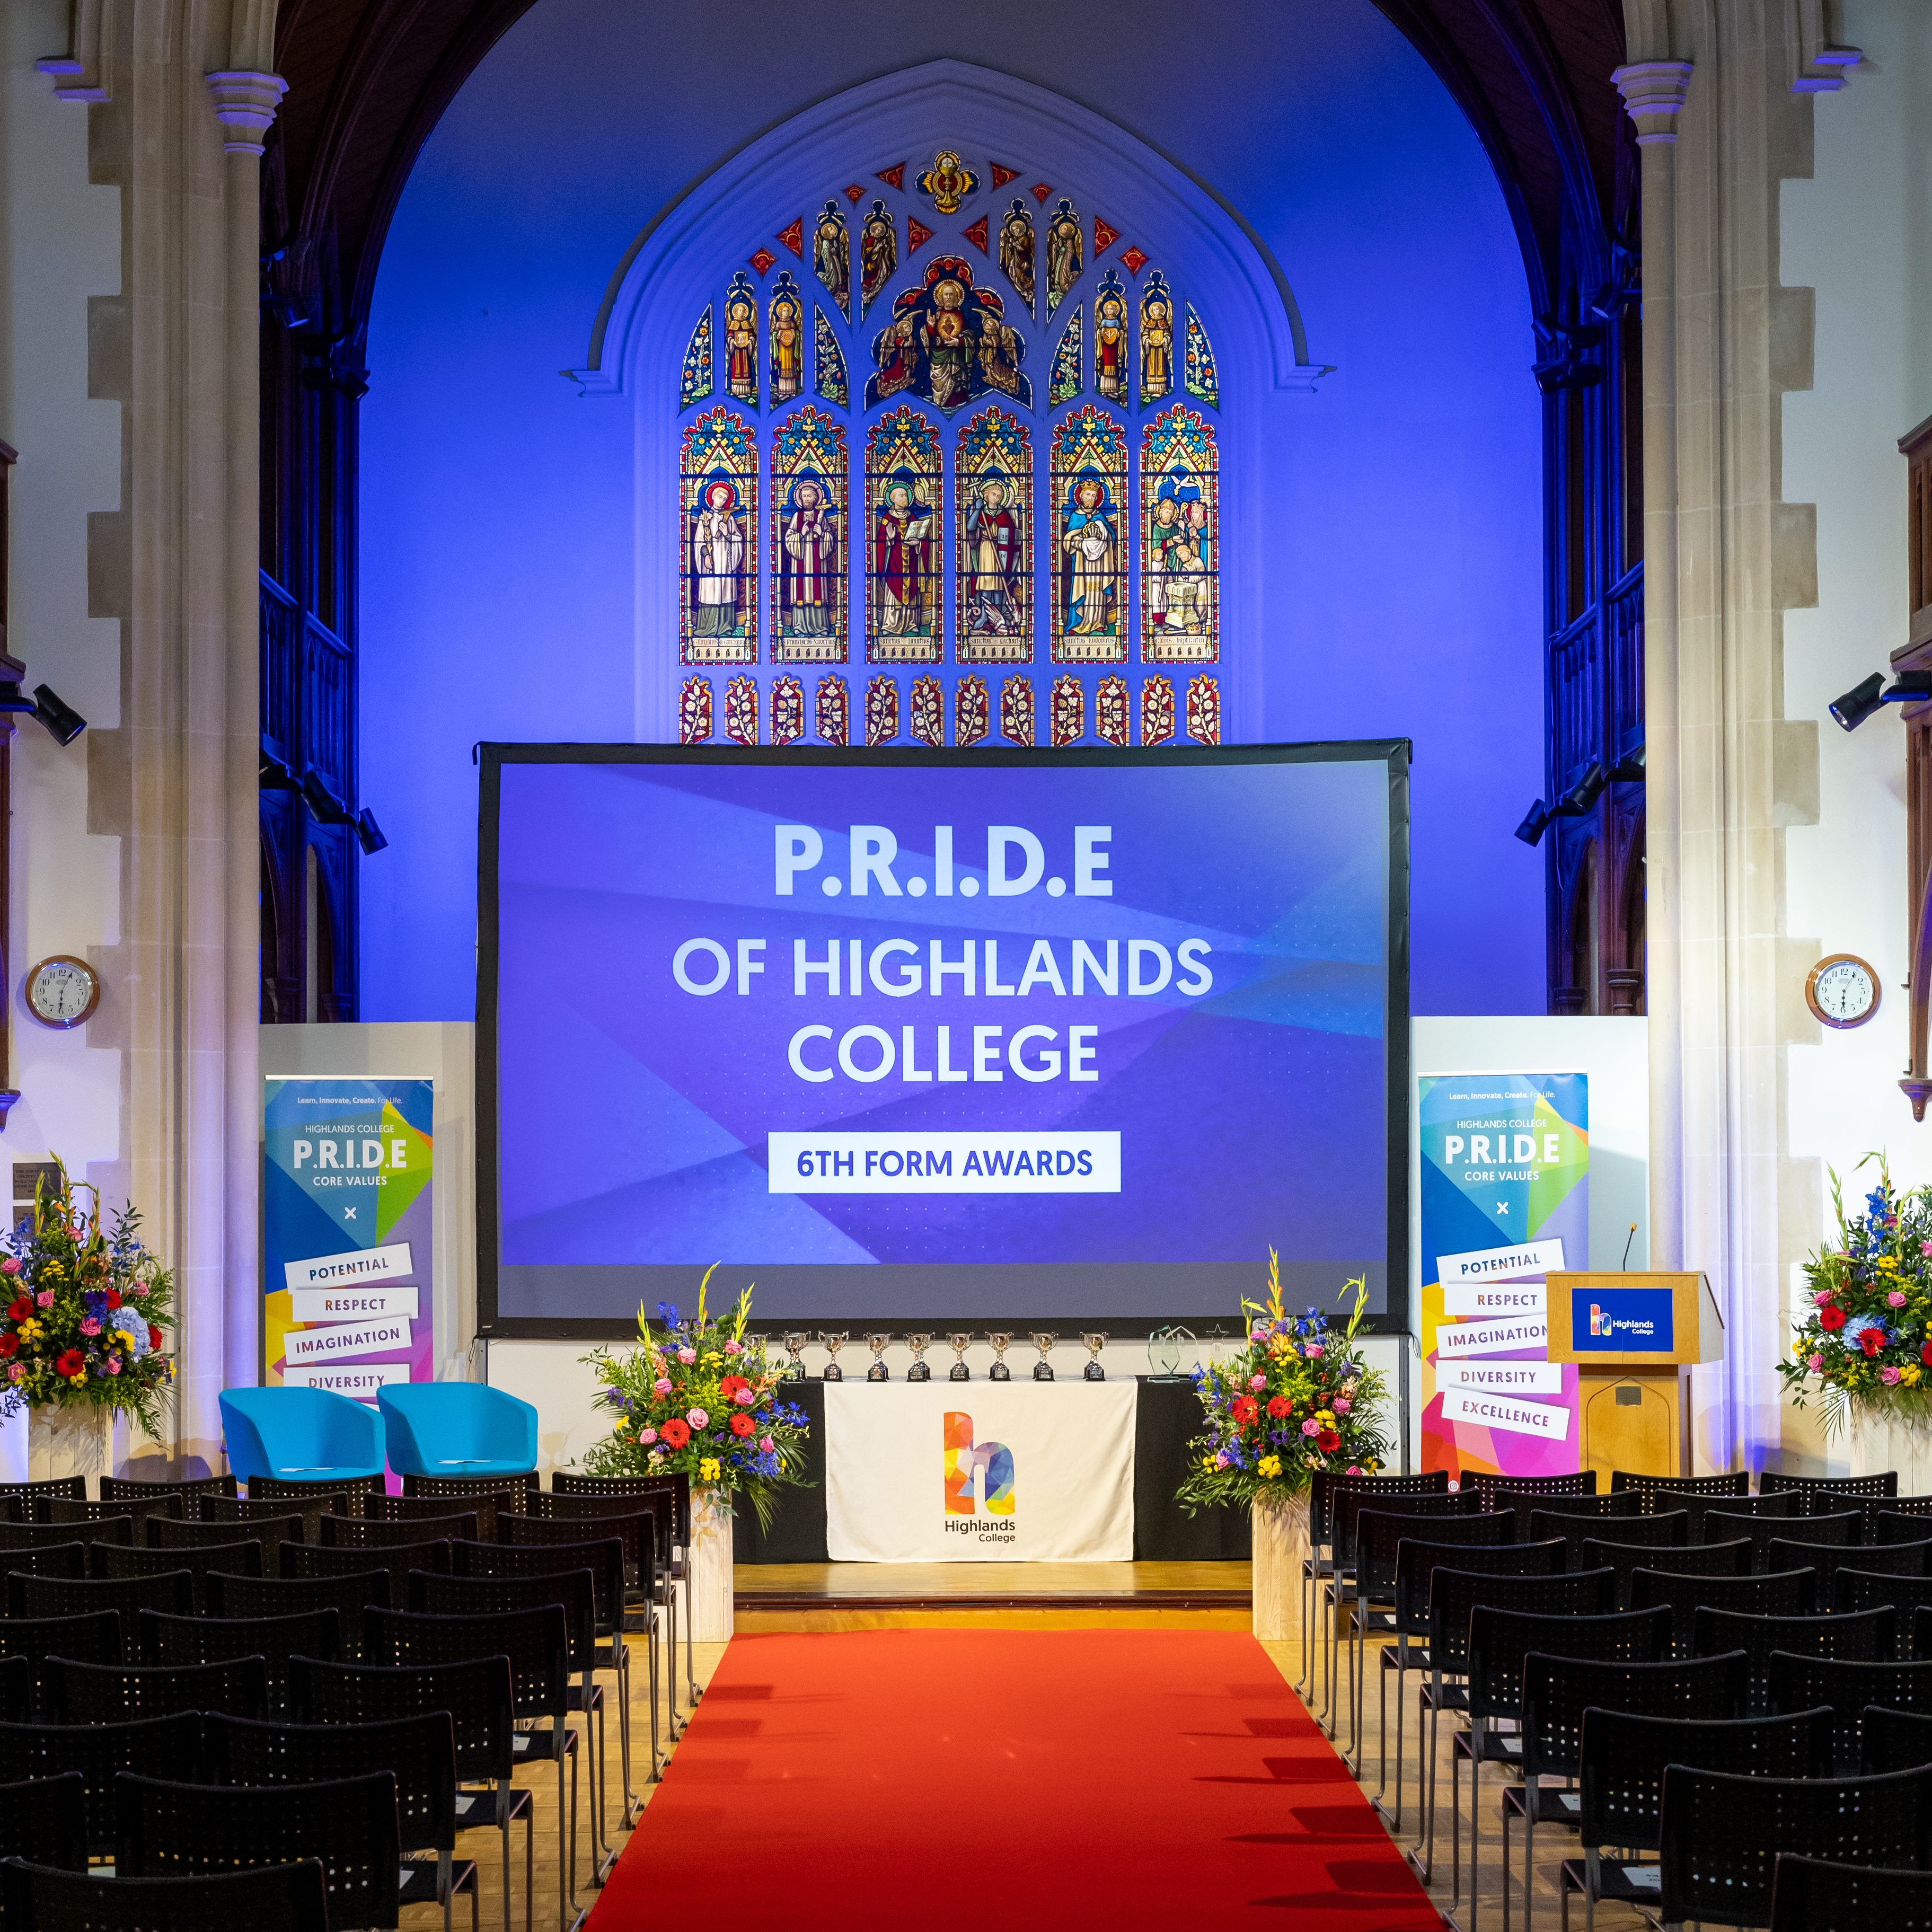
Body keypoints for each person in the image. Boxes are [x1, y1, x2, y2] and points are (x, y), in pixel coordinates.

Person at [875, 475, 933, 637]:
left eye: (906, 495)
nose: (905, 498)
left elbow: (924, 538)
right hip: (894, 562)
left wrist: (920, 544)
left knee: (912, 590)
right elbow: (879, 542)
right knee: (893, 592)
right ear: (893, 499)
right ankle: (890, 624)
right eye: (901, 496)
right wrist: (889, 539)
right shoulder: (887, 519)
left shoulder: (912, 517)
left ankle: (911, 623)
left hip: (913, 561)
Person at [780, 476, 838, 638]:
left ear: (815, 498)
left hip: (817, 561)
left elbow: (829, 538)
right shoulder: (796, 517)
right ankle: (799, 627)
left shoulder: (821, 517)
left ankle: (820, 627)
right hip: (800, 561)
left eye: (809, 496)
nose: (806, 499)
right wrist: (800, 534)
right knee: (801, 593)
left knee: (817, 592)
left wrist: (822, 533)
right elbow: (789, 538)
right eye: (804, 496)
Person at [1061, 474, 1117, 638]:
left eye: (1093, 496)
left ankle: (1098, 622)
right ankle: (1078, 623)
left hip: (1099, 563)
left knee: (1097, 592)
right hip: (1081, 563)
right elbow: (1068, 541)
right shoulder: (1075, 516)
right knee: (1082, 591)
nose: (1090, 498)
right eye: (1088, 495)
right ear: (1080, 495)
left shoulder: (1100, 516)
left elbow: (1112, 537)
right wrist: (1082, 540)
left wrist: (1103, 533)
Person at [965, 478, 1022, 634]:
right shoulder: (981, 512)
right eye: (994, 495)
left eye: (999, 495)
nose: (996, 498)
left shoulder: (1004, 514)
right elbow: (970, 527)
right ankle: (984, 616)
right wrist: (977, 510)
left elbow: (1012, 535)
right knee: (986, 583)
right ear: (986, 496)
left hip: (1000, 552)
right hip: (985, 550)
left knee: (998, 584)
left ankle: (999, 613)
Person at [690, 479, 745, 637]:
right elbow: (699, 541)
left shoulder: (730, 519)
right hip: (711, 564)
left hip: (726, 564)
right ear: (713, 497)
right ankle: (708, 628)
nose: (721, 501)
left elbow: (738, 539)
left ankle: (725, 628)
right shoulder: (704, 518)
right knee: (711, 592)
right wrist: (706, 555)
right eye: (719, 497)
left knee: (725, 591)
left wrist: (727, 534)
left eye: (724, 499)